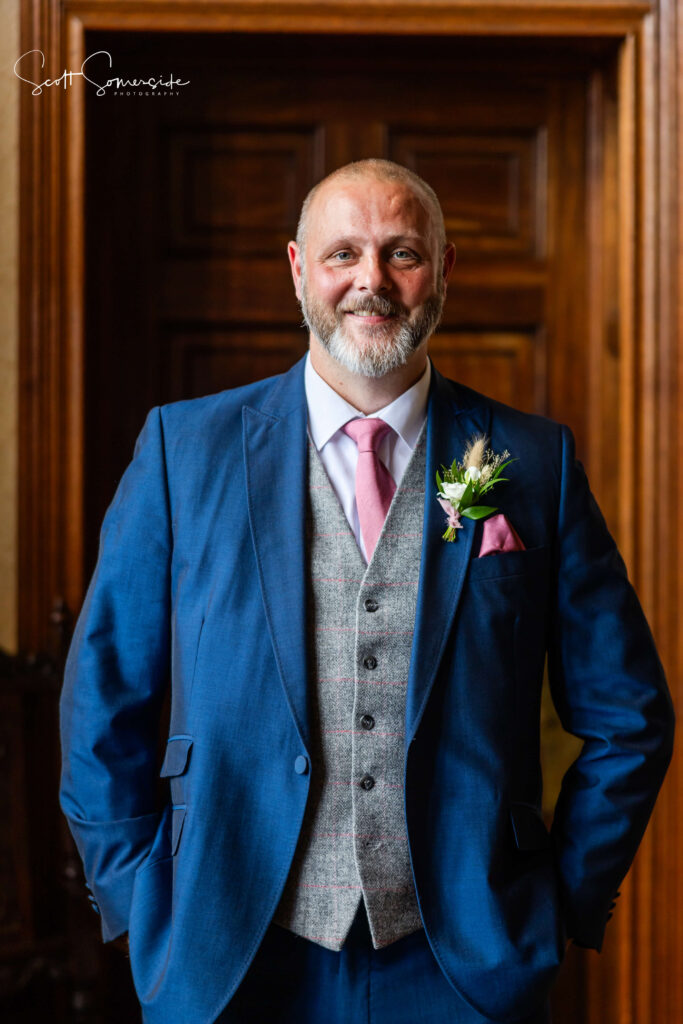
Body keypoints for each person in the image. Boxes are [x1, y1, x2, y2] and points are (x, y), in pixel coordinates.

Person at [60, 159, 674, 1024]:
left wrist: (559, 903)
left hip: (465, 962)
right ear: (298, 269)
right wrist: (138, 899)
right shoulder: (181, 450)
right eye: (343, 252)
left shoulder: (533, 463)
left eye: (402, 254)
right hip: (229, 950)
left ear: (445, 269)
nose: (371, 282)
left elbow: (629, 715)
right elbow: (104, 696)